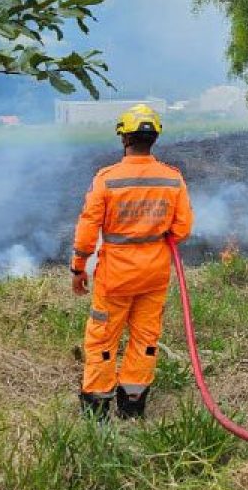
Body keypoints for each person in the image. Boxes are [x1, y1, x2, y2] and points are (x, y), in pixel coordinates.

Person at [70, 104, 193, 420]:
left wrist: (78, 266)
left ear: (124, 138)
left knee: (103, 340)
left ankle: (97, 408)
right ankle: (133, 405)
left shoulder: (107, 179)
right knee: (144, 340)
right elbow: (182, 229)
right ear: (154, 140)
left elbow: (88, 226)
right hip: (154, 275)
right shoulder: (172, 179)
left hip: (116, 278)